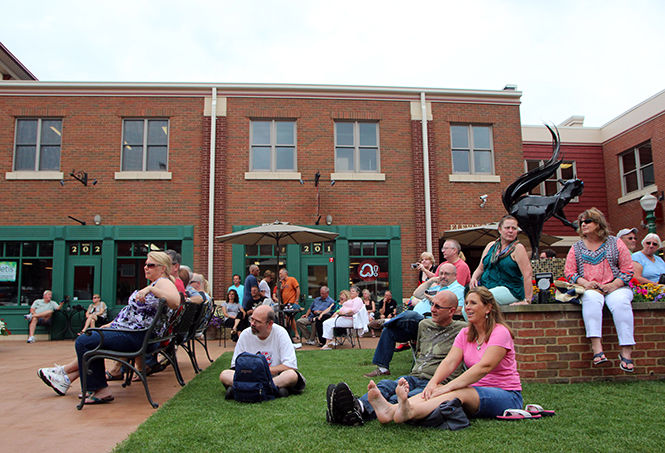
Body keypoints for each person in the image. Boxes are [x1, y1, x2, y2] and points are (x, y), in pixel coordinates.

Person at [36, 251, 181, 403]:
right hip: (137, 334)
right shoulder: (157, 283)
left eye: (150, 265)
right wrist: (112, 324)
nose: (145, 267)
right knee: (92, 338)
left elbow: (175, 301)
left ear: (163, 268)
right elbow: (134, 314)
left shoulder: (163, 282)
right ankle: (66, 378)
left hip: (137, 337)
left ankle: (95, 388)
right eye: (145, 264)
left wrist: (150, 289)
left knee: (85, 341)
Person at [367, 287, 523, 424]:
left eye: (473, 303)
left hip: (506, 395)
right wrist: (433, 384)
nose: (468, 307)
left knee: (455, 392)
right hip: (475, 391)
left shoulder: (500, 332)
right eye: (467, 303)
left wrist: (448, 387)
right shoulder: (466, 333)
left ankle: (408, 412)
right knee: (438, 390)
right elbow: (450, 361)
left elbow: (484, 367)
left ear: (488, 308)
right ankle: (390, 410)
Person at [327, 290, 466, 425]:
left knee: (400, 397)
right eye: (432, 305)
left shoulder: (463, 330)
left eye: (438, 306)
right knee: (385, 385)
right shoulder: (424, 325)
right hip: (415, 376)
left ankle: (352, 412)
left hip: (436, 382)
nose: (433, 309)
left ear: (451, 311)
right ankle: (358, 406)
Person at [564, 208, 636, 372]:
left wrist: (613, 285)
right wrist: (585, 283)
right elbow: (569, 272)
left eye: (587, 221)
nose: (583, 224)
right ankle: (597, 349)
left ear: (598, 223)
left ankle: (626, 352)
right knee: (591, 299)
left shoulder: (615, 242)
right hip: (590, 287)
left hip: (616, 286)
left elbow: (627, 269)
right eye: (581, 222)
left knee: (621, 303)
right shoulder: (577, 247)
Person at [364, 263, 464, 377]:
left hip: (432, 325)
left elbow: (458, 310)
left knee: (411, 315)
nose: (442, 276)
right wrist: (431, 281)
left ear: (455, 275)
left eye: (446, 274)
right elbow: (416, 294)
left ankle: (387, 321)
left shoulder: (458, 290)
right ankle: (382, 368)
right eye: (441, 273)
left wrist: (434, 300)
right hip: (416, 327)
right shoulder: (436, 287)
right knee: (389, 331)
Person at [219, 305, 305, 398]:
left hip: (274, 377)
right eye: (251, 319)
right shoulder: (245, 334)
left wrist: (265, 372)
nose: (252, 324)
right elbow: (235, 366)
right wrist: (252, 373)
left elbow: (290, 365)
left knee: (291, 375)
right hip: (249, 376)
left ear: (269, 324)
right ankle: (272, 390)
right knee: (224, 375)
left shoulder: (281, 333)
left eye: (257, 322)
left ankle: (242, 389)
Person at [470, 215, 533, 305]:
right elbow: (481, 268)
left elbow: (527, 274)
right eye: (507, 228)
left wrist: (527, 300)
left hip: (510, 289)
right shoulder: (491, 246)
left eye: (514, 228)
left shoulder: (518, 248)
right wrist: (474, 278)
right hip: (487, 287)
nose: (510, 231)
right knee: (467, 306)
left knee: (480, 301)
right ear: (500, 229)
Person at [277, 268, 301, 342]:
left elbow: (297, 289)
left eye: (281, 273)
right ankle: (291, 334)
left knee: (290, 317)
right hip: (285, 303)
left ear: (285, 273)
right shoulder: (282, 282)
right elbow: (279, 293)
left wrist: (296, 300)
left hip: (292, 302)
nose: (280, 275)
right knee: (288, 318)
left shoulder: (292, 279)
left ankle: (296, 333)